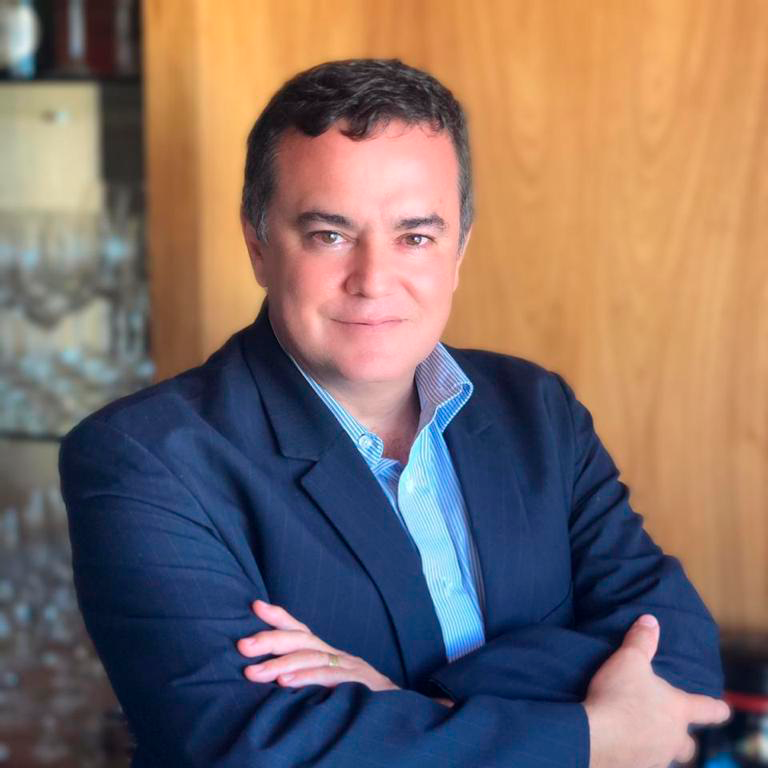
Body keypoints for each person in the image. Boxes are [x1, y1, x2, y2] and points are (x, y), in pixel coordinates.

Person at [60, 58, 730, 768]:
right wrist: (588, 734)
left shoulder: (538, 412)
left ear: (459, 250)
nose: (373, 280)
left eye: (415, 236)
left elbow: (681, 662)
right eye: (330, 235)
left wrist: (412, 709)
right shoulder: (145, 461)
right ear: (258, 247)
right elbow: (254, 751)